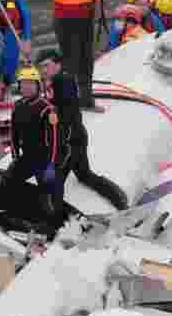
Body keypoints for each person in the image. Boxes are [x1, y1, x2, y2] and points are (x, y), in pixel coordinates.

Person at [52, 71, 129, 214]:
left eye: (46, 65)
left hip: (71, 145)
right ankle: (119, 199)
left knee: (55, 183)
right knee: (85, 175)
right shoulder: (68, 97)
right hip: (79, 139)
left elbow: (65, 129)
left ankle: (56, 214)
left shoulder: (63, 103)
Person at [0, 66, 59, 228]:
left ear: (38, 86)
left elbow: (55, 139)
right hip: (26, 157)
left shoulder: (48, 108)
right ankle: (12, 216)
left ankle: (53, 225)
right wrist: (15, 156)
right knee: (8, 182)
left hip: (44, 159)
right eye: (24, 84)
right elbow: (14, 133)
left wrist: (51, 164)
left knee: (47, 194)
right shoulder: (18, 106)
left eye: (30, 84)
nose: (27, 87)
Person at [38, 0, 101, 111]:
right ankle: (66, 104)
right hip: (66, 17)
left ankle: (86, 101)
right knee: (70, 62)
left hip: (88, 15)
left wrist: (97, 6)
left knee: (87, 59)